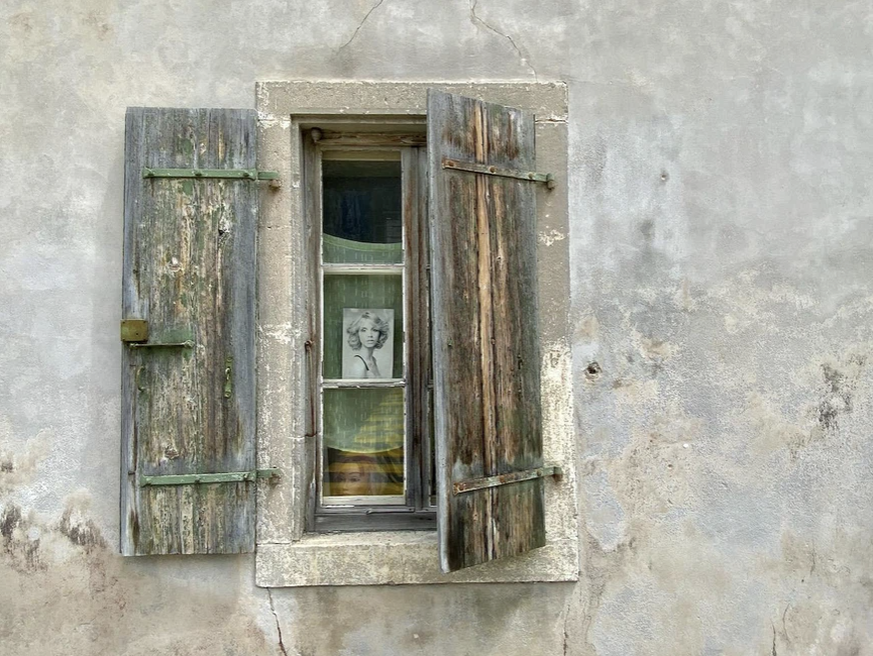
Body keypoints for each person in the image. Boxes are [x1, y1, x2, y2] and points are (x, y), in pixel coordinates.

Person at [346, 311, 390, 378]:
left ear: (380, 333)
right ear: (357, 334)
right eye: (364, 330)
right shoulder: (359, 366)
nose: (369, 335)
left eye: (374, 330)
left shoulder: (373, 360)